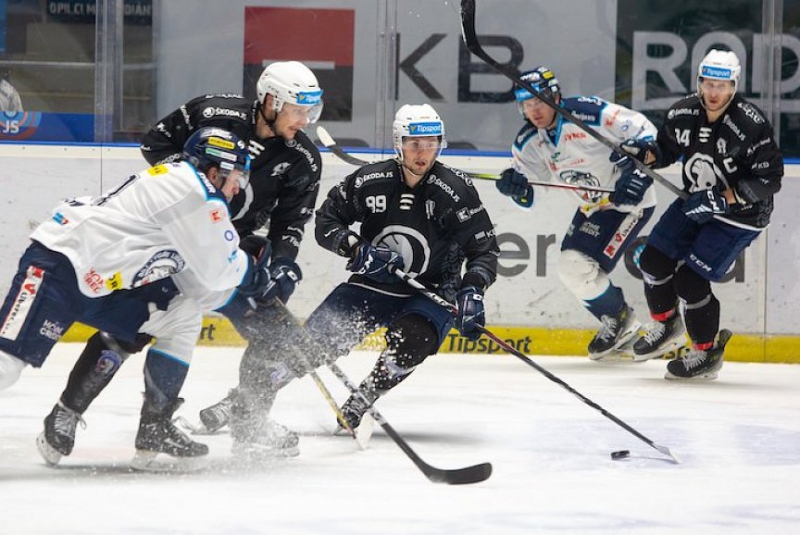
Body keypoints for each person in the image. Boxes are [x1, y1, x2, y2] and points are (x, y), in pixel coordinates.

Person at [35, 61, 325, 462]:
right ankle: (66, 412)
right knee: (134, 325)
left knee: (270, 328)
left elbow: (290, 224)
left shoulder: (303, 159)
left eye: (310, 111)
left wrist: (282, 264)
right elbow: (155, 144)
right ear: (272, 101)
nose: (305, 121)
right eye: (298, 110)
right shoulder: (212, 112)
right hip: (171, 239)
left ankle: (247, 419)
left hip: (228, 248)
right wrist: (198, 212)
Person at [199, 103, 499, 435]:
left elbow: (484, 248)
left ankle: (365, 395)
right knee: (307, 348)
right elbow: (326, 221)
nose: (423, 153)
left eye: (431, 144)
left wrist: (473, 290)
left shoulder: (455, 191)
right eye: (414, 144)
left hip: (430, 291)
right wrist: (355, 247)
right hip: (371, 285)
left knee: (413, 340)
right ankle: (243, 401)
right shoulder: (371, 180)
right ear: (399, 143)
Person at [0, 127, 277, 471]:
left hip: (105, 286)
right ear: (213, 171)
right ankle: (68, 412)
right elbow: (220, 271)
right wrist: (253, 273)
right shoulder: (195, 192)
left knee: (181, 314)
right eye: (237, 177)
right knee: (6, 364)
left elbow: (199, 286)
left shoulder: (186, 193)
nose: (237, 188)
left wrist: (242, 275)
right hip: (61, 265)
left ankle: (155, 428)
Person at [625, 49, 783, 380]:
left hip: (741, 214)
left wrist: (724, 198)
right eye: (708, 84)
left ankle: (707, 352)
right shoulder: (682, 112)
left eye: (721, 86)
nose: (713, 92)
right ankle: (667, 325)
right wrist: (645, 154)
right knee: (652, 260)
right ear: (699, 82)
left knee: (690, 280)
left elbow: (769, 180)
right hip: (695, 199)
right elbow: (666, 150)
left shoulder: (750, 125)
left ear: (734, 86)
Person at [495, 66, 659, 361]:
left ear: (555, 96)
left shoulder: (587, 113)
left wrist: (638, 172)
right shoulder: (529, 141)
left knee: (575, 265)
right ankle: (621, 321)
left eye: (539, 101)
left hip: (627, 204)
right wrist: (515, 188)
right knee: (570, 268)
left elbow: (644, 129)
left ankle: (622, 318)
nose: (534, 110)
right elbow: (530, 194)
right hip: (592, 209)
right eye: (527, 104)